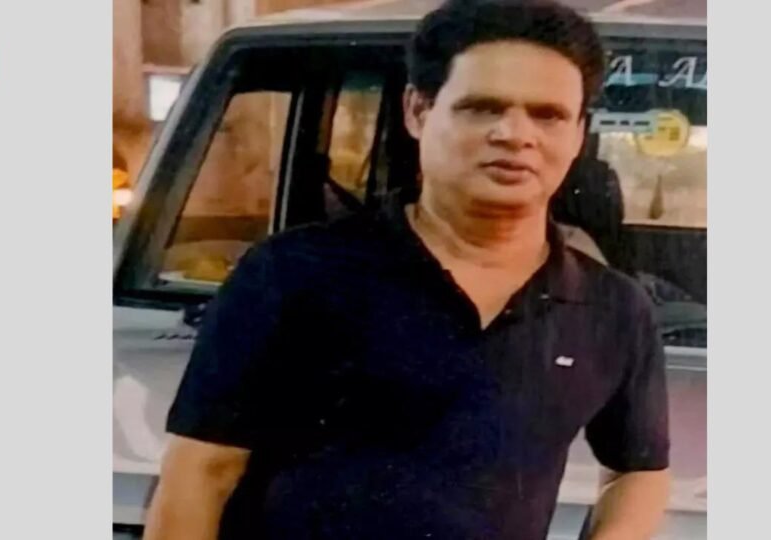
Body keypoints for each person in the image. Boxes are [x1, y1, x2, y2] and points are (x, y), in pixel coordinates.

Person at [143, 1, 670, 539]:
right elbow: (200, 474)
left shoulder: (613, 310)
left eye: (548, 115)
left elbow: (637, 469)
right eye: (482, 108)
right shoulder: (293, 274)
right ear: (418, 111)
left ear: (579, 133)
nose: (515, 135)